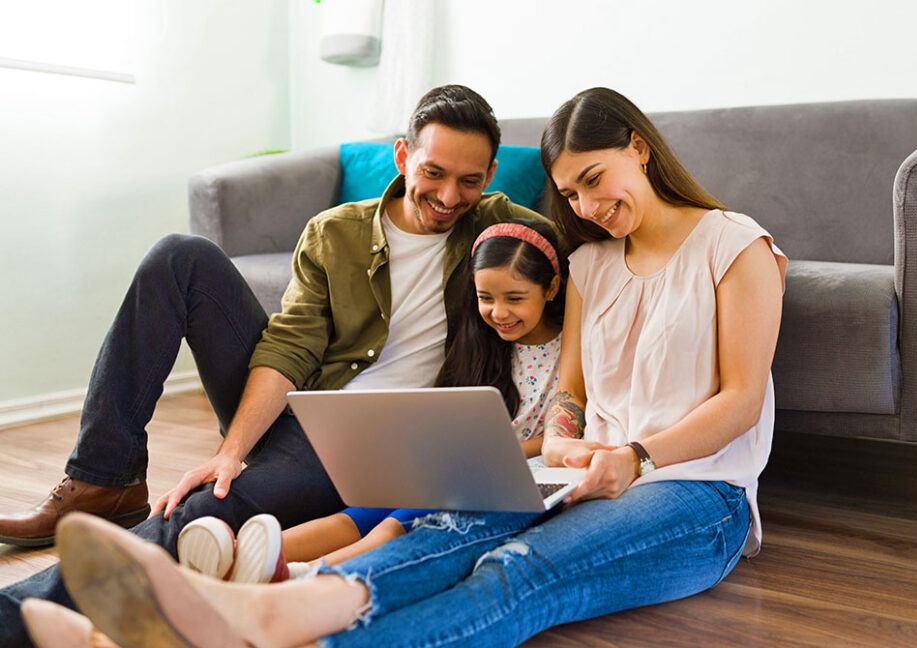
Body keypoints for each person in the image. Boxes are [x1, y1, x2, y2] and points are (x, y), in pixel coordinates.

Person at [21, 86, 787, 648]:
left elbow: (740, 399)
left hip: (688, 485)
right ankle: (179, 570)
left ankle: (234, 624)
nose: (584, 206)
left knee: (507, 567)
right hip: (524, 461)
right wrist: (561, 438)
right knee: (431, 535)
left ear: (638, 149)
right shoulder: (586, 263)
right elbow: (574, 394)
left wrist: (631, 454)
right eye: (568, 193)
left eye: (593, 181)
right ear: (402, 158)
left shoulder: (721, 246)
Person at [0, 84, 545, 647]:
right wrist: (229, 452)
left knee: (202, 511)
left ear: (491, 175)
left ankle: (16, 612)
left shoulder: (502, 229)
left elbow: (588, 251)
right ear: (403, 156)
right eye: (434, 172)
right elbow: (291, 346)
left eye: (470, 180)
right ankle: (102, 480)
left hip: (366, 452)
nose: (450, 196)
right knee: (180, 257)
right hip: (300, 403)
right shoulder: (336, 232)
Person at [174, 218, 567, 583]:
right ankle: (236, 556)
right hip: (459, 467)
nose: (498, 313)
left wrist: (494, 452)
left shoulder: (569, 353)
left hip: (524, 476)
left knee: (397, 523)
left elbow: (561, 437)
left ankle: (302, 575)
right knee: (361, 513)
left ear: (550, 289)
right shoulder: (481, 345)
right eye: (486, 298)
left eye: (515, 298)